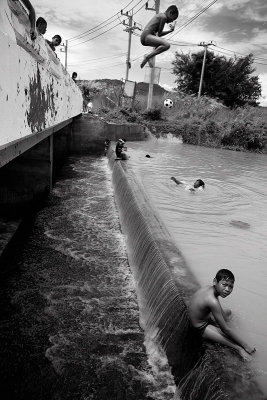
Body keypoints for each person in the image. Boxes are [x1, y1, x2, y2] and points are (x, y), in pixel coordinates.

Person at [188, 269, 256, 360]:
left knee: (229, 312)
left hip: (202, 318)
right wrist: (246, 345)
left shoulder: (209, 289)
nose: (227, 289)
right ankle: (239, 349)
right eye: (224, 285)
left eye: (231, 286)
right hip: (200, 328)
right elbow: (225, 330)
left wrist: (226, 317)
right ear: (215, 281)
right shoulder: (212, 301)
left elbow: (221, 311)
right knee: (234, 342)